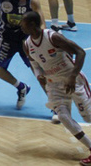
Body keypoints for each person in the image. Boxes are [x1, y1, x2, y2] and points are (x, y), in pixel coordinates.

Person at [22, 11, 91, 166]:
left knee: (88, 117)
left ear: (32, 24)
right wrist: (39, 76)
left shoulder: (52, 37)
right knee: (63, 117)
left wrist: (72, 76)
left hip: (73, 80)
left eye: (23, 24)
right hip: (54, 84)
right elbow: (34, 64)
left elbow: (80, 52)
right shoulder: (27, 44)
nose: (21, 26)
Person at [0, 0, 45, 109]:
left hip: (25, 39)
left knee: (39, 72)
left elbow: (41, 22)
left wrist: (41, 40)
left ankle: (56, 105)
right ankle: (21, 87)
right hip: (6, 35)